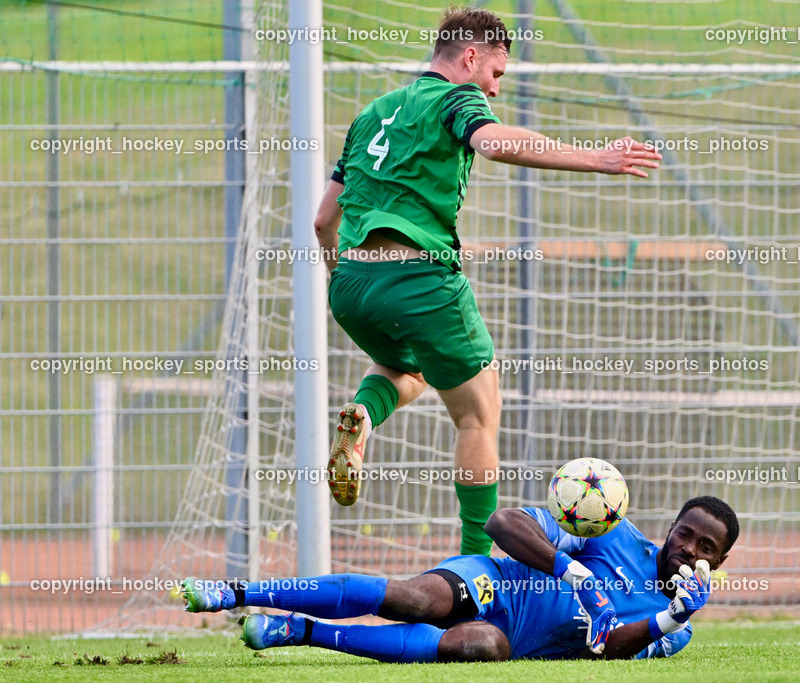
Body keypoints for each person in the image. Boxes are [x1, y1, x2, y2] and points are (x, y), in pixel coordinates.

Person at [312, 6, 662, 556]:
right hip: (419, 274)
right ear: (471, 57)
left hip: (351, 282)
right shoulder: (456, 98)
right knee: (478, 415)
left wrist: (343, 277)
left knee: (409, 369)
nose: (495, 90)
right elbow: (494, 142)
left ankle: (363, 412)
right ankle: (477, 565)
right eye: (496, 74)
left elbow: (322, 220)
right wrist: (595, 158)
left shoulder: (370, 115)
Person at [181, 496, 738, 661]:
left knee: (481, 646)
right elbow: (502, 523)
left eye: (704, 547)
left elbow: (609, 648)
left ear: (718, 562)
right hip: (498, 581)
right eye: (684, 533)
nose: (687, 549)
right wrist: (570, 568)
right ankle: (234, 592)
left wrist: (671, 615)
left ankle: (299, 633)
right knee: (417, 599)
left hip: (514, 638)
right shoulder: (610, 529)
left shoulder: (677, 627)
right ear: (671, 529)